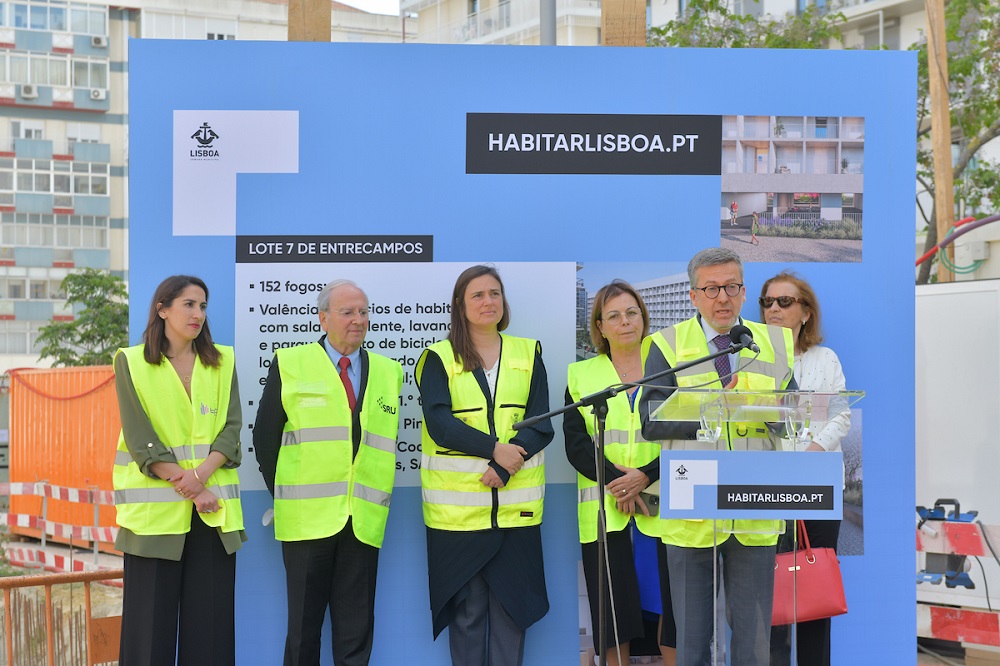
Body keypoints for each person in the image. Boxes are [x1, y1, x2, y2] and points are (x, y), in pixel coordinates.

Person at [639, 247, 795, 666]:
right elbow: (650, 421)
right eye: (711, 289)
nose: (722, 297)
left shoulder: (775, 342)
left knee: (755, 642)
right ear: (693, 296)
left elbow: (793, 413)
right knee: (690, 643)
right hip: (693, 510)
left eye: (731, 287)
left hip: (755, 508)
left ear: (744, 292)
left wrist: (766, 409)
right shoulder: (666, 345)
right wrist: (712, 411)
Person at [254, 279, 403, 666]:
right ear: (323, 318)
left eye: (364, 312)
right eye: (348, 312)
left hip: (363, 523)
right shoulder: (291, 363)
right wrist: (290, 494)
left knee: (356, 635)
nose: (358, 320)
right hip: (306, 524)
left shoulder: (388, 372)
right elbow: (265, 437)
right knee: (303, 633)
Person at [415, 265, 553, 666]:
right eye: (477, 295)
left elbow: (541, 422)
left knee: (513, 616)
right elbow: (440, 424)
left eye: (495, 293)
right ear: (460, 304)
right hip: (458, 520)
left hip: (516, 515)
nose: (488, 301)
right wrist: (494, 449)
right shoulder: (439, 357)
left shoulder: (529, 353)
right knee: (468, 616)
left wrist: (508, 465)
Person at [113, 275, 244, 666]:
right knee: (148, 637)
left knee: (211, 637)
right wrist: (193, 486)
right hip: (154, 523)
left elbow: (232, 429)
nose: (198, 314)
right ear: (162, 309)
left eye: (203, 306)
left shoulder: (223, 361)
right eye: (188, 304)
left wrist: (200, 478)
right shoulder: (131, 362)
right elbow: (142, 441)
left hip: (213, 517)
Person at [564, 280, 677, 666]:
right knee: (612, 613)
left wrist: (644, 477)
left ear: (644, 318)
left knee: (669, 606)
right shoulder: (580, 374)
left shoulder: (670, 369)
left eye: (632, 313)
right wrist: (620, 483)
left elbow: (688, 436)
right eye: (613, 315)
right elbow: (577, 444)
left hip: (662, 507)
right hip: (606, 510)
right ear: (600, 325)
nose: (625, 322)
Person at [761, 272, 850, 666]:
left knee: (815, 597)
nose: (774, 309)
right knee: (773, 597)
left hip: (818, 487)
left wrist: (810, 453)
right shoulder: (749, 361)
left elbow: (840, 418)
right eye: (767, 302)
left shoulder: (825, 359)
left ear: (805, 313)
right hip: (768, 488)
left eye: (784, 302)